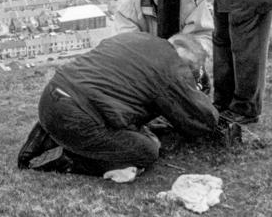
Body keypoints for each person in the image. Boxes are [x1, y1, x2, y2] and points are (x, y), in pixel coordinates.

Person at [16, 31, 222, 184]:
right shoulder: (171, 69)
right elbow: (204, 120)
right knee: (146, 150)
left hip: (50, 99)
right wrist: (197, 92)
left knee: (91, 108)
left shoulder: (137, 39)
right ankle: (69, 159)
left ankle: (44, 138)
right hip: (78, 117)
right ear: (186, 66)